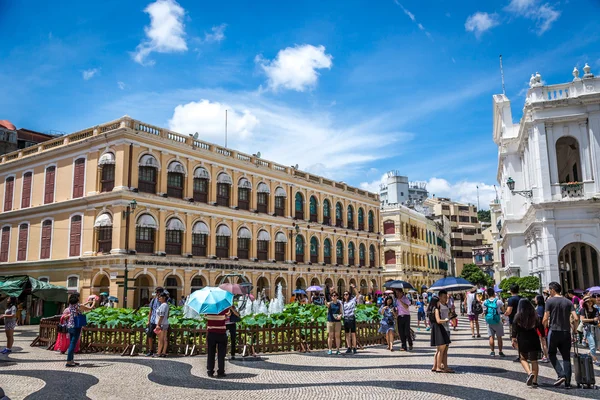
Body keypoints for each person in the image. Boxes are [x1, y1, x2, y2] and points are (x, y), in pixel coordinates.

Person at [542, 281, 579, 388]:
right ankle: (568, 383)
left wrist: (544, 328)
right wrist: (575, 330)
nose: (549, 292)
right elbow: (576, 318)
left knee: (551, 354)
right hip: (566, 332)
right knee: (566, 357)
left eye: (549, 290)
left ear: (553, 290)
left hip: (554, 331)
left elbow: (545, 318)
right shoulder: (568, 302)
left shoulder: (549, 302)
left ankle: (561, 374)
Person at [512, 298, 545, 388]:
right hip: (534, 339)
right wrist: (543, 336)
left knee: (523, 358)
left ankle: (529, 373)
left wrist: (513, 339)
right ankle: (535, 382)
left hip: (522, 339)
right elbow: (540, 327)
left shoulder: (517, 316)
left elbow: (514, 329)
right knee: (534, 360)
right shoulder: (535, 315)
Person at [65, 293, 92, 367]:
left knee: (71, 343)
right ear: (77, 298)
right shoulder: (78, 306)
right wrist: (94, 302)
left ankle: (71, 360)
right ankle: (68, 361)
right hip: (76, 326)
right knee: (73, 344)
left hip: (70, 325)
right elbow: (89, 308)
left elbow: (81, 305)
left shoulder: (70, 305)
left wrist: (87, 302)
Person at [428, 296, 452, 373]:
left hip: (434, 329)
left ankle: (434, 366)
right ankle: (438, 367)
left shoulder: (430, 310)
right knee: (441, 350)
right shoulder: (436, 309)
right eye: (438, 302)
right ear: (436, 302)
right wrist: (445, 320)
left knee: (438, 350)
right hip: (438, 328)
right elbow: (438, 320)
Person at [206, 307, 230, 377]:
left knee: (210, 353)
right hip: (221, 333)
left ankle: (210, 371)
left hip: (211, 333)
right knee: (221, 354)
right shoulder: (224, 308)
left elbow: (206, 317)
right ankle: (221, 371)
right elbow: (229, 315)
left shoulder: (208, 308)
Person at [483, 288, 505, 357]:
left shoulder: (485, 302)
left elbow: (484, 312)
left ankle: (492, 352)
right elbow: (503, 310)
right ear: (494, 293)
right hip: (498, 321)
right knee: (499, 337)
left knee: (491, 337)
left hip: (489, 322)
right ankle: (500, 352)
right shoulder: (498, 301)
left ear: (487, 294)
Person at [580, 295, 600, 366]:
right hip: (588, 329)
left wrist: (597, 319)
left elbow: (598, 318)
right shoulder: (583, 310)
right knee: (592, 344)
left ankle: (590, 353)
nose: (589, 302)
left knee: (597, 344)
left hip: (596, 328)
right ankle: (595, 360)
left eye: (590, 301)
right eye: (587, 302)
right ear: (585, 303)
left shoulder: (596, 309)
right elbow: (582, 319)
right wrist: (592, 319)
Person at [438, 290, 454, 372]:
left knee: (446, 349)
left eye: (446, 297)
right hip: (442, 328)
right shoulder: (438, 306)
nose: (445, 299)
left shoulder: (447, 305)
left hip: (447, 328)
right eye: (444, 297)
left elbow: (448, 315)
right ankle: (442, 366)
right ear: (440, 297)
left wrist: (451, 315)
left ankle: (444, 365)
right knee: (441, 349)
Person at [145, 287, 164, 357]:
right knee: (150, 336)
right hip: (153, 320)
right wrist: (148, 320)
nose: (157, 294)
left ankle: (159, 351)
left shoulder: (163, 301)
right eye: (156, 292)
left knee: (159, 337)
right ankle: (151, 350)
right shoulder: (153, 300)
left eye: (158, 292)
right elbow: (150, 311)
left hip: (159, 321)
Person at [505, 284, 521, 362]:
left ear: (511, 290)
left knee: (514, 338)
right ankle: (523, 354)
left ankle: (520, 355)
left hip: (514, 321)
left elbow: (509, 311)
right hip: (522, 320)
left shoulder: (511, 299)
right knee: (521, 337)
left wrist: (504, 314)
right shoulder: (522, 298)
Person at [342, 284, 358, 354]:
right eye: (344, 294)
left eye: (347, 294)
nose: (345, 295)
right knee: (347, 334)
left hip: (351, 318)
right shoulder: (343, 303)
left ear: (349, 295)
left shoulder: (352, 301)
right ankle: (349, 347)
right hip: (346, 318)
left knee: (353, 334)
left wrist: (354, 288)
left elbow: (357, 295)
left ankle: (354, 347)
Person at [534, 295, 549, 362]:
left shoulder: (539, 308)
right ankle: (545, 355)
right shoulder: (544, 306)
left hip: (541, 327)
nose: (535, 300)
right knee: (544, 341)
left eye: (536, 299)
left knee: (543, 342)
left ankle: (546, 356)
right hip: (544, 326)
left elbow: (540, 319)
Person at [154, 293, 170, 357]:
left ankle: (158, 353)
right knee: (164, 339)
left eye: (160, 297)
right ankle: (163, 352)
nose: (159, 298)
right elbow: (167, 315)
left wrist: (158, 324)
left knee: (160, 339)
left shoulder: (163, 305)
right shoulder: (166, 305)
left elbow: (161, 315)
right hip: (165, 323)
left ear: (164, 298)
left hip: (161, 324)